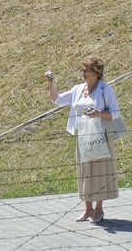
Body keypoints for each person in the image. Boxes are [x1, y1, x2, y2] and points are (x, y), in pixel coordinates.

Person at [44, 56, 120, 223]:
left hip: (101, 136)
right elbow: (57, 99)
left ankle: (98, 209)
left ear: (96, 73)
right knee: (85, 171)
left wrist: (99, 114)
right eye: (83, 69)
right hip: (83, 136)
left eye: (86, 70)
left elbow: (116, 113)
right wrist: (52, 83)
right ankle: (87, 209)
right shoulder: (78, 89)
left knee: (100, 171)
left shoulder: (105, 90)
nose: (83, 73)